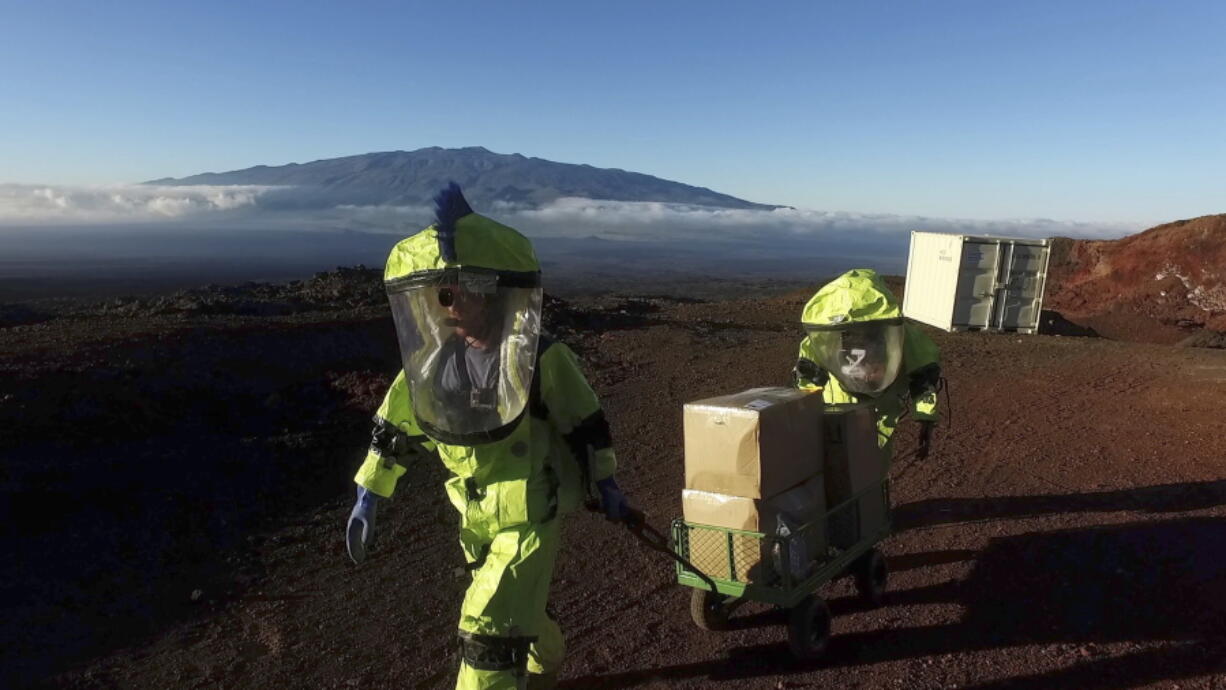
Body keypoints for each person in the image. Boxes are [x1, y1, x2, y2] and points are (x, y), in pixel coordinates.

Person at [346, 183, 631, 690]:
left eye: (460, 289)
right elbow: (395, 426)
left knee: (487, 629)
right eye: (442, 291)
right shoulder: (433, 365)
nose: (448, 302)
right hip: (472, 513)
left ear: (493, 292)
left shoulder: (539, 359)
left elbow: (585, 422)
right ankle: (546, 654)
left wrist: (605, 481)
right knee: (514, 603)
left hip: (529, 511)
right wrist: (369, 493)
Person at [792, 268, 942, 459]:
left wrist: (925, 418)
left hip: (876, 411)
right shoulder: (823, 339)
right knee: (842, 465)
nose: (856, 339)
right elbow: (808, 376)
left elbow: (923, 378)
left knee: (866, 467)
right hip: (839, 410)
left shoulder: (906, 337)